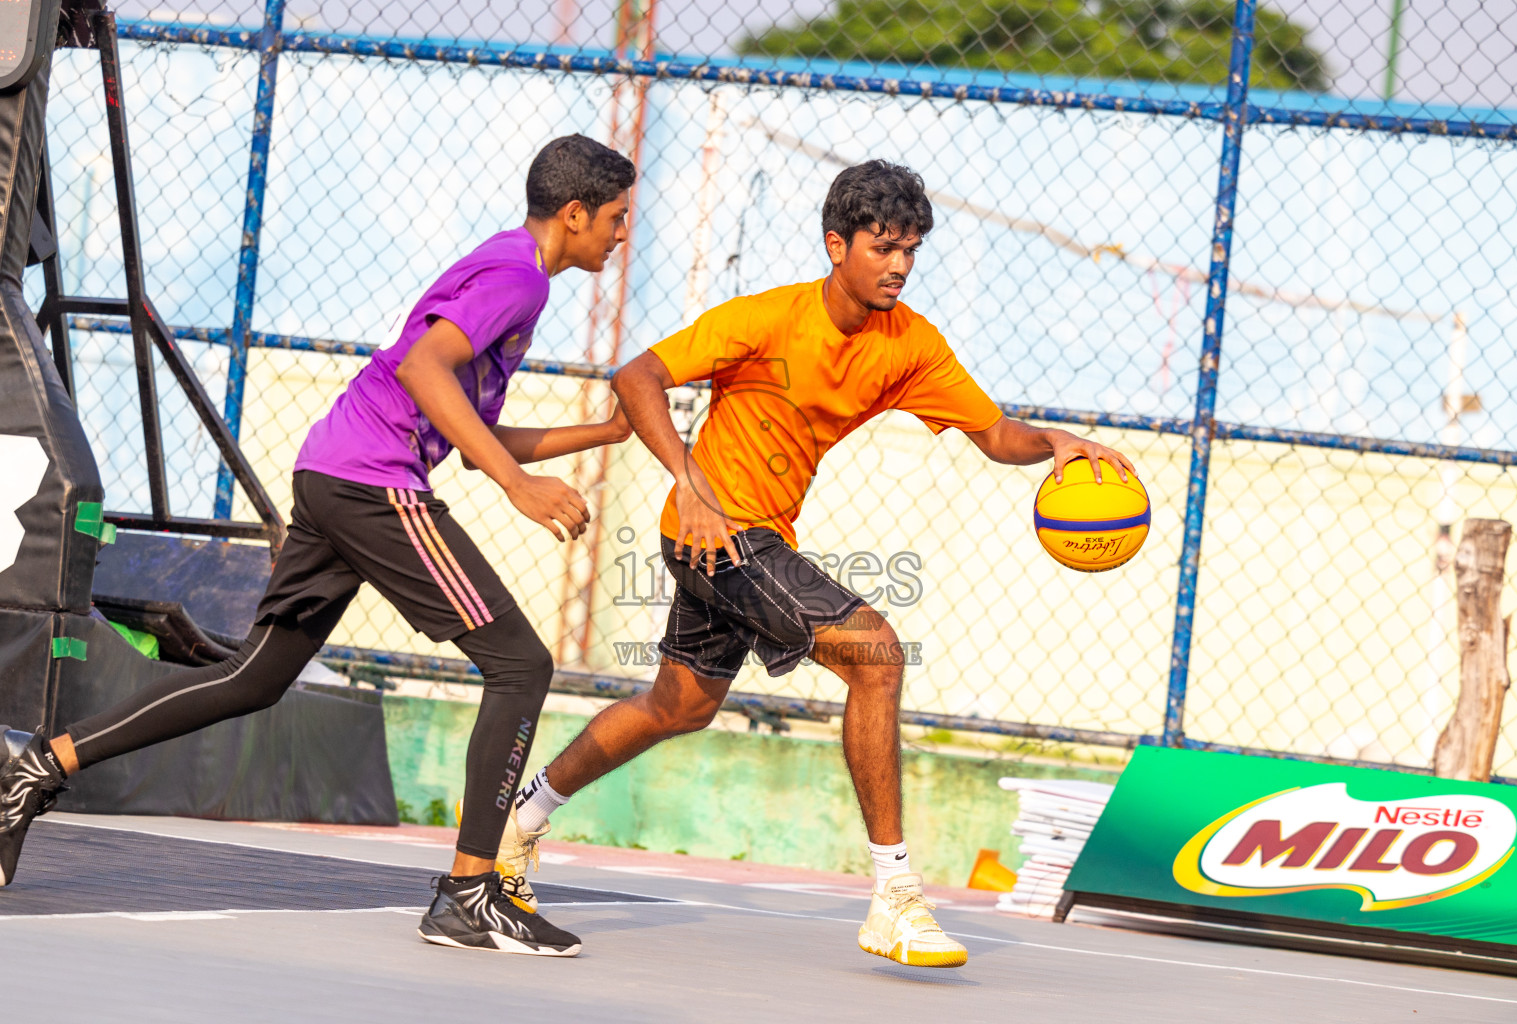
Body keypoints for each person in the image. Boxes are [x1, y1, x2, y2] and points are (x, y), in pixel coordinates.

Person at [0, 133, 637, 958]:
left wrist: (605, 431)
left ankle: (37, 767)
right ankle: (469, 892)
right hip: (373, 485)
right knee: (521, 664)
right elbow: (424, 373)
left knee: (253, 678)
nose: (622, 235)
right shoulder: (516, 278)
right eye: (617, 219)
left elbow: (465, 413)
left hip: (334, 472)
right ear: (575, 213)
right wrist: (517, 489)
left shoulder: (508, 267)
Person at [499, 159, 1137, 969]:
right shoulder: (767, 319)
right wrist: (691, 485)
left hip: (761, 538)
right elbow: (638, 376)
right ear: (837, 245)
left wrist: (1054, 442)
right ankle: (896, 899)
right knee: (877, 655)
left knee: (679, 705)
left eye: (911, 249)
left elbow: (993, 434)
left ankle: (520, 821)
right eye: (883, 247)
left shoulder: (910, 344)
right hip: (716, 533)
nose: (900, 265)